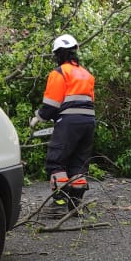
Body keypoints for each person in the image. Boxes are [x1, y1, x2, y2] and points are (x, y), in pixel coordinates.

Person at [30, 33, 96, 208]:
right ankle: (76, 204)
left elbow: (52, 105)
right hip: (89, 123)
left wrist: (38, 117)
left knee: (56, 161)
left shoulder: (59, 73)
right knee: (78, 164)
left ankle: (59, 204)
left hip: (69, 123)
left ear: (58, 54)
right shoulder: (86, 74)